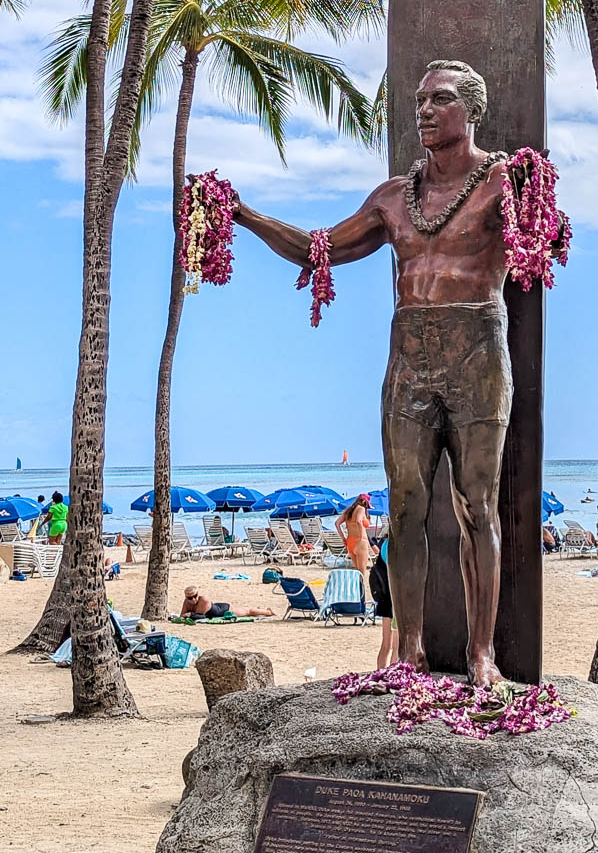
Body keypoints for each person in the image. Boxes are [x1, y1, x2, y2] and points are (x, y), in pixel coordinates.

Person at [233, 60, 567, 686]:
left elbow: (540, 250)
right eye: (418, 99)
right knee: (407, 505)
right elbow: (319, 249)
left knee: (477, 507)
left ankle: (482, 657)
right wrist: (244, 215)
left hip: (478, 354)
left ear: (471, 110)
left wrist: (534, 194)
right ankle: (409, 654)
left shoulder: (505, 183)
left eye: (439, 99)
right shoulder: (393, 198)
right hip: (409, 356)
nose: (424, 110)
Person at [369, 539, 399, 670]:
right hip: (396, 598)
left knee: (386, 644)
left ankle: (380, 673)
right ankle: (393, 676)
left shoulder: (384, 544)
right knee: (397, 646)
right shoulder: (397, 544)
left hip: (383, 597)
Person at [336, 494, 373, 595]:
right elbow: (358, 521)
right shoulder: (361, 508)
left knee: (357, 572)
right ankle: (361, 597)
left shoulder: (349, 511)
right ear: (365, 502)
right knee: (362, 573)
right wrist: (361, 535)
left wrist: (343, 538)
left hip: (350, 542)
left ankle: (355, 595)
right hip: (360, 542)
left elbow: (337, 523)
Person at [180, 586, 276, 619]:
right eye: (189, 598)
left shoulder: (203, 600)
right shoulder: (186, 601)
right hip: (215, 607)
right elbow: (182, 615)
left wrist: (189, 614)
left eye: (195, 596)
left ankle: (268, 612)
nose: (192, 600)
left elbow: (200, 616)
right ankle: (258, 609)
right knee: (245, 609)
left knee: (248, 612)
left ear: (198, 594)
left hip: (223, 610)